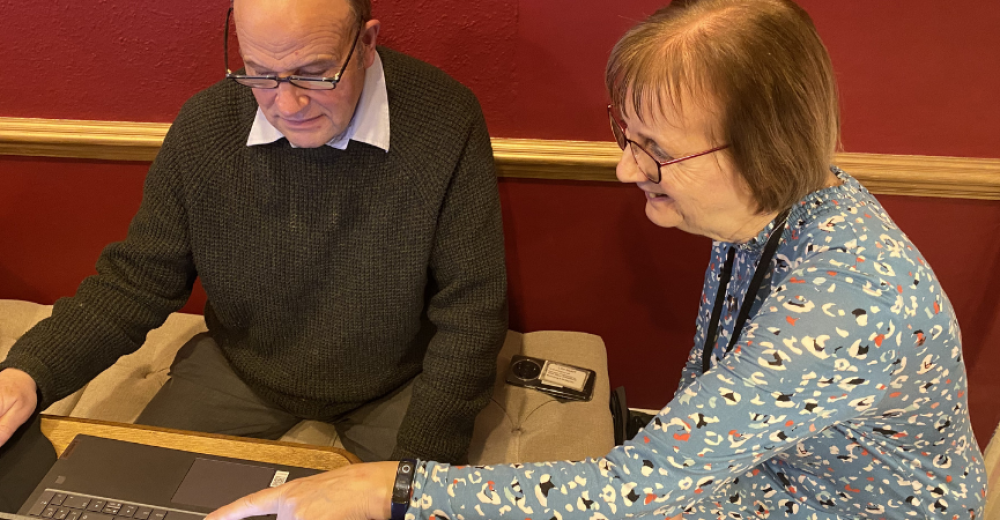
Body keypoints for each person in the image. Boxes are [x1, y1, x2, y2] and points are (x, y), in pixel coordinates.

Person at [204, 0, 988, 518]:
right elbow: (696, 429)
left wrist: (392, 488)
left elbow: (639, 490)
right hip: (757, 481)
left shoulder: (843, 302)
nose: (624, 169)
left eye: (654, 149)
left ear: (762, 149)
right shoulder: (771, 209)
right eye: (625, 135)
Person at [0, 0, 507, 464]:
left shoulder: (446, 120)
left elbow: (473, 310)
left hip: (399, 381)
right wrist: (28, 374)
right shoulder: (206, 125)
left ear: (368, 43)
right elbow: (136, 282)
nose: (286, 105)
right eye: (260, 74)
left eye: (314, 74)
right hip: (242, 370)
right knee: (134, 490)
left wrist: (413, 473)